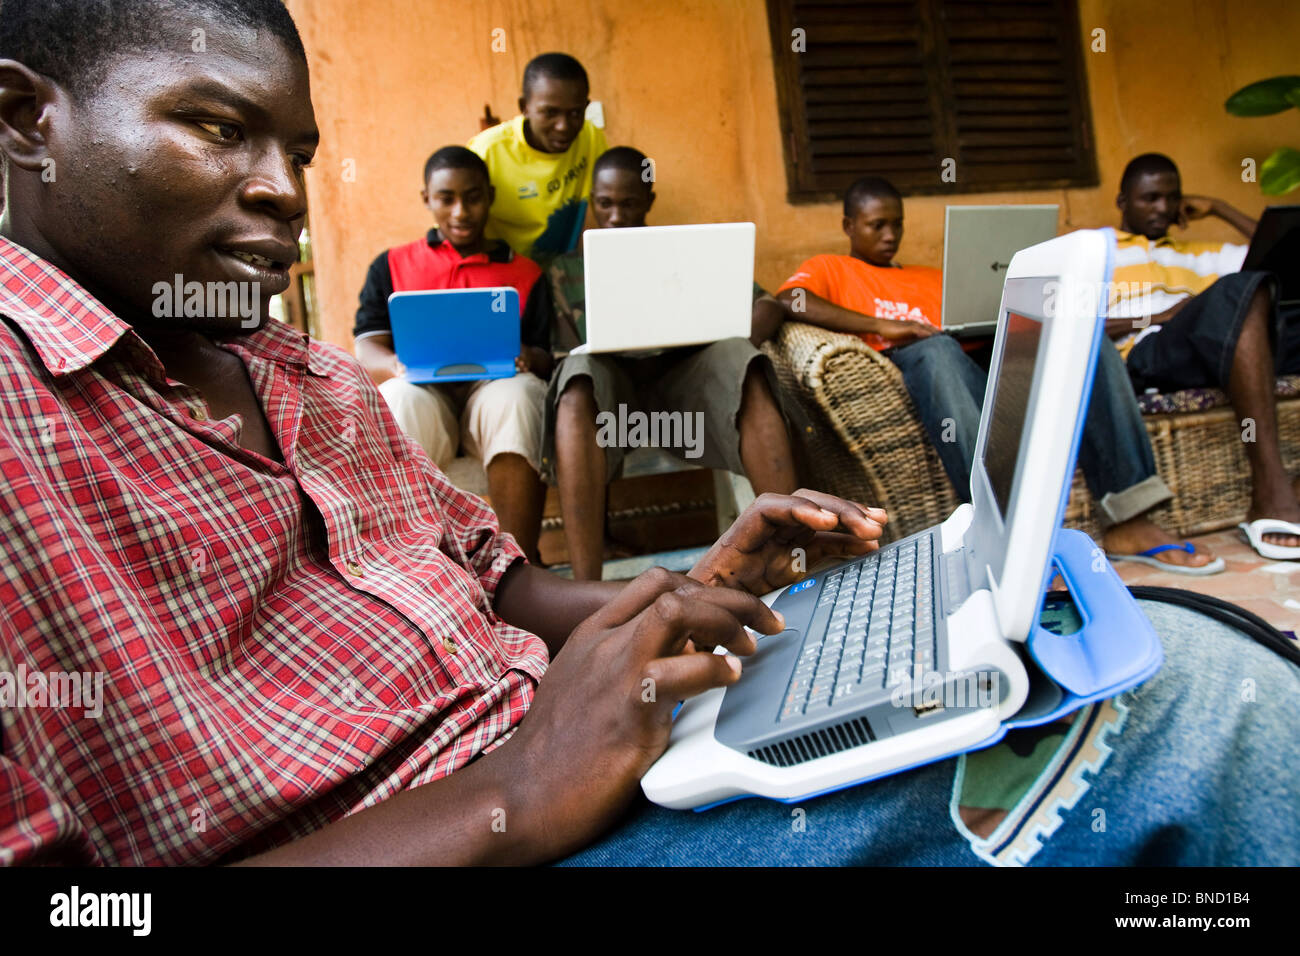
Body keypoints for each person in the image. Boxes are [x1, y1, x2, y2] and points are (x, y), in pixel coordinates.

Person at [1, 0, 1295, 867]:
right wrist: (507, 799)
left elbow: (494, 576)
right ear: (23, 121)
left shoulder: (298, 376)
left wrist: (664, 599)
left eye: (297, 145)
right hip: (514, 823)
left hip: (617, 744)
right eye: (218, 129)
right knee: (1192, 703)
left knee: (1054, 649)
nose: (284, 190)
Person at [777, 176, 1221, 575]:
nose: (891, 235)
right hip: (923, 377)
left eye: (898, 224)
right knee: (935, 349)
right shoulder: (832, 269)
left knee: (1084, 333)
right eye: (877, 225)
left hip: (978, 372)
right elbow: (790, 302)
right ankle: (1004, 535)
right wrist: (887, 327)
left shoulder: (933, 278)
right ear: (849, 225)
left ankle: (1131, 518)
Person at [537, 146, 799, 579]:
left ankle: (790, 551)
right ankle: (585, 586)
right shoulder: (564, 272)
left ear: (649, 202)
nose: (616, 215)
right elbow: (559, 357)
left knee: (740, 358)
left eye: (629, 203)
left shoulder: (685, 253)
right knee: (577, 378)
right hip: (609, 402)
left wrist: (730, 341)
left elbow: (768, 304)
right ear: (591, 202)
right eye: (605, 204)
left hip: (686, 393)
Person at [353, 146, 551, 562]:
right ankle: (421, 564)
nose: (461, 211)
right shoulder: (390, 265)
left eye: (473, 196)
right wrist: (394, 365)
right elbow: (366, 346)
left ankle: (518, 561)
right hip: (426, 396)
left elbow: (548, 357)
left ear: (490, 195)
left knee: (520, 394)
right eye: (447, 198)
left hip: (491, 395)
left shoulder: (526, 273)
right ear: (427, 198)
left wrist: (528, 357)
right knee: (398, 396)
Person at [1106, 153, 1300, 559]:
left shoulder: (1203, 253)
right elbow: (1075, 325)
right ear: (1122, 201)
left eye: (1172, 198)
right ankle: (1270, 492)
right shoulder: (1098, 252)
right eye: (1150, 198)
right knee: (1234, 291)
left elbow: (1284, 253)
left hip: (1218, 345)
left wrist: (1220, 208)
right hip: (1148, 355)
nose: (1163, 208)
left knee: (1252, 288)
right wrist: (1162, 315)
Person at [467, 52, 607, 266]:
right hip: (502, 275)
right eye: (550, 113)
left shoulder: (590, 137)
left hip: (559, 273)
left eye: (575, 113)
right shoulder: (487, 152)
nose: (563, 126)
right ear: (524, 106)